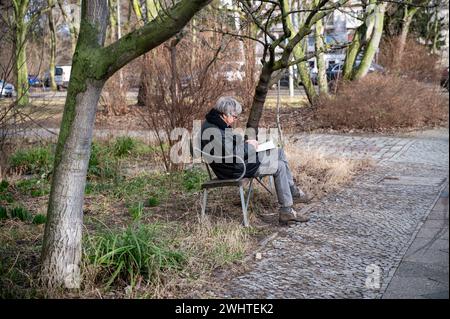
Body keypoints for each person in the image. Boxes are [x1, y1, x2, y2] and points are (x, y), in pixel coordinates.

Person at [200, 96, 311, 225]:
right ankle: (286, 210)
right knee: (279, 166)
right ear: (225, 114)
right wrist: (250, 146)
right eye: (235, 117)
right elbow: (234, 154)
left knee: (278, 152)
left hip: (234, 164)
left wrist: (246, 143)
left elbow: (230, 147)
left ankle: (292, 191)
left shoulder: (216, 123)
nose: (235, 120)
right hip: (234, 169)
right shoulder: (214, 130)